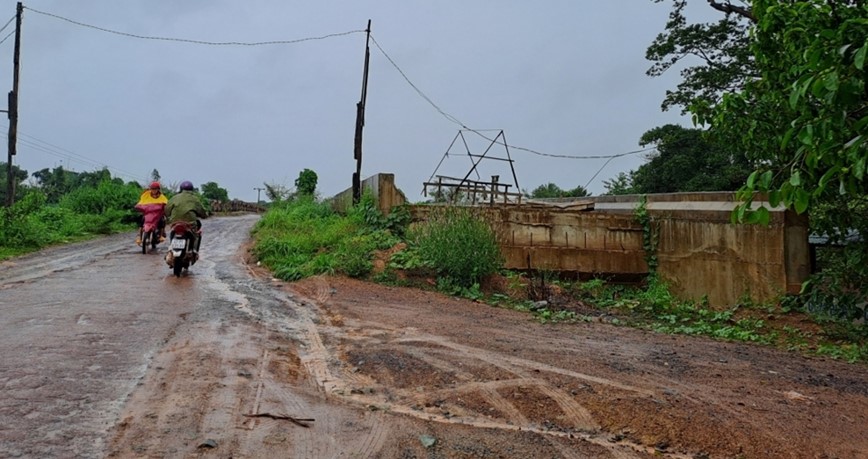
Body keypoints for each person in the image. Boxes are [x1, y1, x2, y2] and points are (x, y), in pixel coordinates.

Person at [165, 180, 208, 253]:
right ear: (192, 190)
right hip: (189, 224)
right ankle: (194, 250)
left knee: (172, 231)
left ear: (181, 189)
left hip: (175, 223)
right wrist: (204, 215)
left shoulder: (174, 198)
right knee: (196, 234)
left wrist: (169, 217)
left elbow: (167, 210)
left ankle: (171, 248)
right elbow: (202, 212)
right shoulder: (194, 199)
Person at [134, 181, 167, 246]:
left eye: (155, 189)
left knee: (162, 220)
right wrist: (138, 206)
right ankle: (139, 237)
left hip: (157, 214)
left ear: (158, 189)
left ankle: (161, 235)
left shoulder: (162, 196)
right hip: (148, 214)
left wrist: (165, 207)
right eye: (152, 189)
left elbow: (166, 203)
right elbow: (141, 202)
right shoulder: (146, 195)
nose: (153, 190)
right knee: (142, 219)